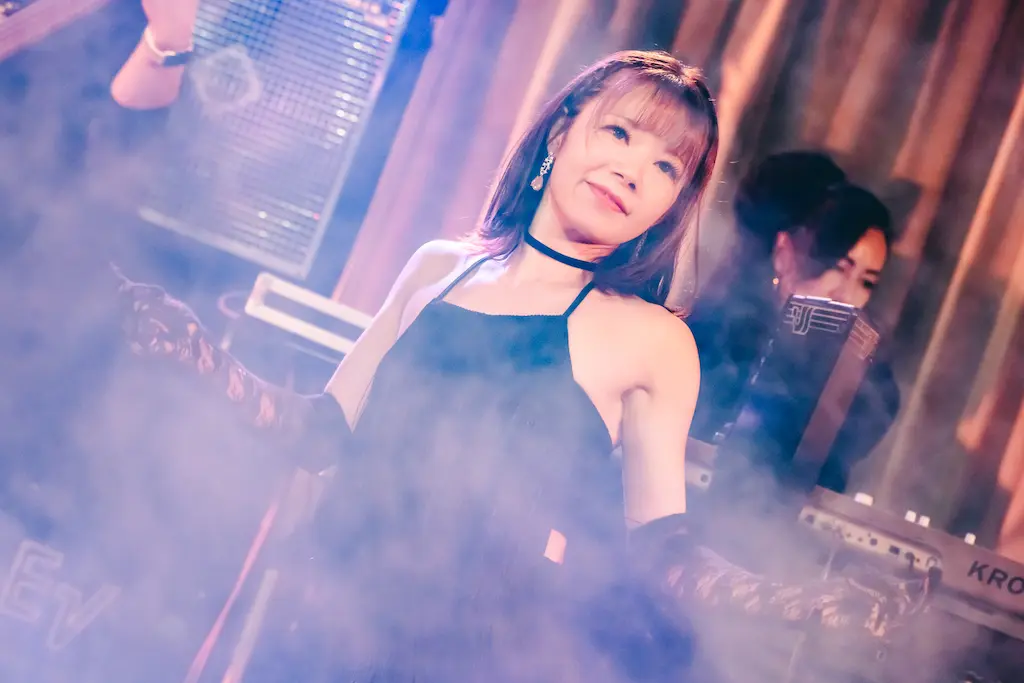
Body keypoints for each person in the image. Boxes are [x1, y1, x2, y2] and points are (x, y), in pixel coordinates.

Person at [114, 54, 927, 683]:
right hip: (323, 619)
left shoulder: (652, 339)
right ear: (562, 131)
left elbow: (663, 551)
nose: (633, 171)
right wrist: (202, 356)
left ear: (673, 204)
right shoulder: (438, 268)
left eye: (667, 168)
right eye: (620, 134)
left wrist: (800, 601)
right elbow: (321, 430)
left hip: (476, 653)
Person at [688, 151, 899, 493]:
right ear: (786, 253)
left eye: (867, 282)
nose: (847, 294)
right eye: (839, 267)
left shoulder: (865, 384)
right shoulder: (715, 337)